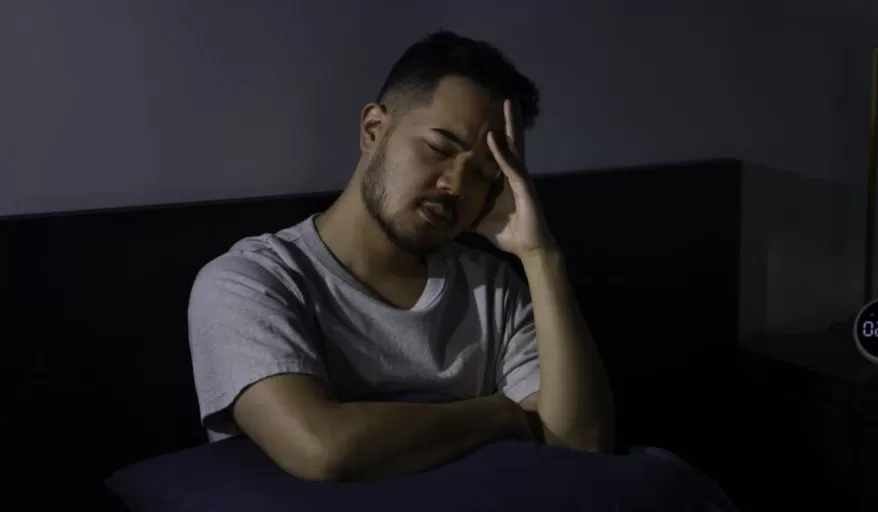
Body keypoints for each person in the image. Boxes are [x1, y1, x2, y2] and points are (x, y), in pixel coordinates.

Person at [187, 31, 614, 481]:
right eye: (440, 148)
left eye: (485, 175)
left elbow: (582, 442)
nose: (455, 185)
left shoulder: (492, 291)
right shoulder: (250, 280)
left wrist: (539, 254)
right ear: (374, 130)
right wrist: (505, 415)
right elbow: (321, 448)